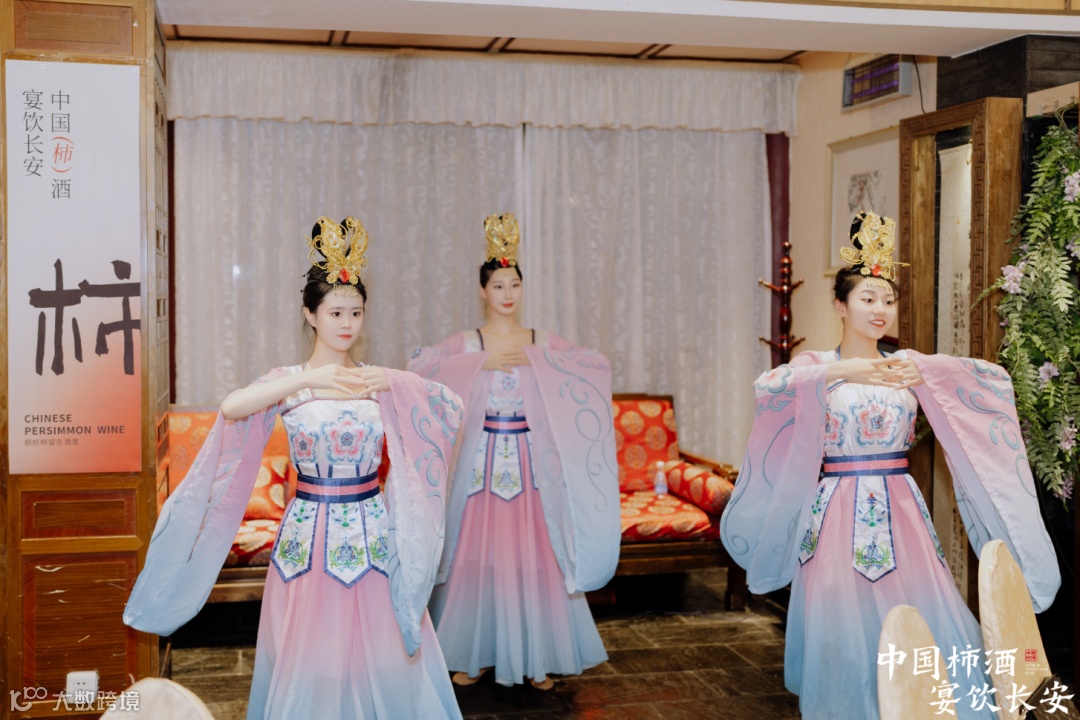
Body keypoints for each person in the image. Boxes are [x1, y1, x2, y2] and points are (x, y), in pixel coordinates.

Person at [720, 211, 1060, 720]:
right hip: (837, 510)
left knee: (923, 606)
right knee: (843, 614)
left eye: (888, 300)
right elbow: (768, 387)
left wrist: (928, 372)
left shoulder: (907, 366)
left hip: (901, 507)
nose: (880, 310)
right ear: (840, 305)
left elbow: (988, 380)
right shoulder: (817, 367)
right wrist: (843, 370)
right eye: (867, 299)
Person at [125, 217, 465, 720]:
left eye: (356, 313)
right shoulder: (290, 380)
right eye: (335, 313)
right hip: (308, 536)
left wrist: (395, 381)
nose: (347, 324)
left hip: (373, 533)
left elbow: (450, 408)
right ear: (310, 314)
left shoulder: (375, 380)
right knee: (312, 653)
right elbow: (232, 407)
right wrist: (308, 381)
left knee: (381, 652)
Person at [407, 212, 620, 690]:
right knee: (476, 556)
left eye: (515, 285)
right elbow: (419, 367)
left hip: (531, 464)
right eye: (498, 285)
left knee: (535, 556)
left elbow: (593, 364)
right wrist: (478, 363)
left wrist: (542, 362)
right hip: (480, 466)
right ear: (483, 291)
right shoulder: (470, 342)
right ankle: (473, 654)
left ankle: (537, 657)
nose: (507, 294)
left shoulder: (540, 341)